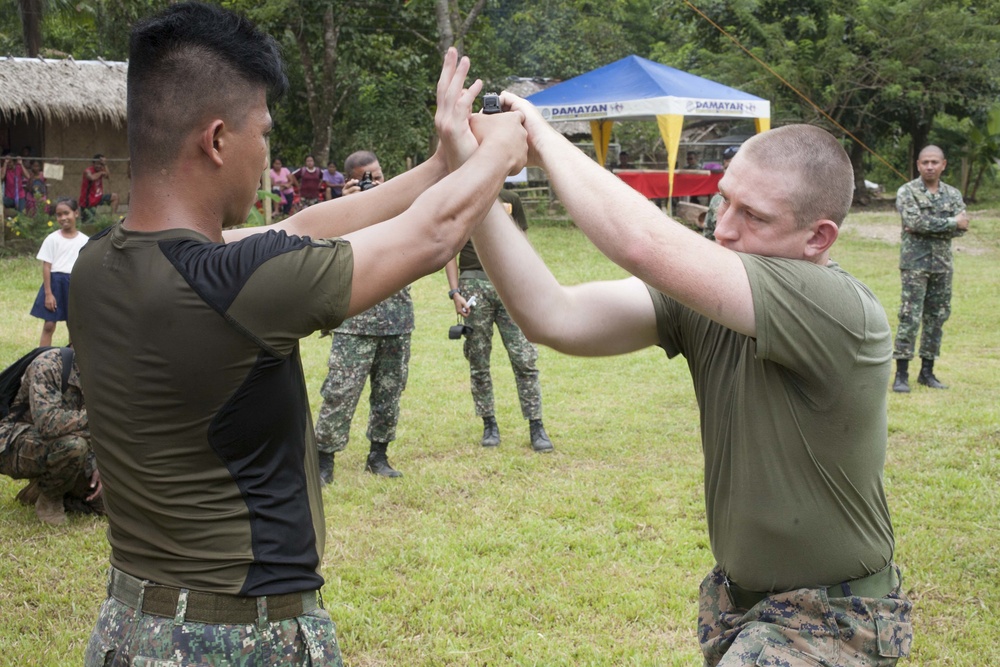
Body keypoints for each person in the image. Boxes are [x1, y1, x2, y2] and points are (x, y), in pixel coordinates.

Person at [67, 3, 526, 665]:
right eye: (263, 132)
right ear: (218, 139)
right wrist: (505, 149)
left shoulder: (95, 266)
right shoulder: (231, 285)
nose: (266, 153)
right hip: (237, 638)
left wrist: (441, 165)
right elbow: (432, 235)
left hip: (126, 629)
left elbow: (304, 231)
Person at [465, 94, 912, 666]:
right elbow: (552, 315)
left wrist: (540, 135)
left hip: (835, 621)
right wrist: (472, 176)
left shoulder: (835, 307)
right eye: (724, 201)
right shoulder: (714, 297)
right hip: (745, 610)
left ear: (818, 239)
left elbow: (641, 244)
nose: (724, 230)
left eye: (754, 216)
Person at [314, 151, 411, 482]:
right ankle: (323, 459)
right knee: (340, 391)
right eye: (366, 177)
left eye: (378, 175)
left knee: (389, 391)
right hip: (353, 318)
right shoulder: (339, 213)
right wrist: (347, 209)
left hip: (396, 317)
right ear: (349, 181)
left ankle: (378, 456)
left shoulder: (401, 209)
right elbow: (324, 253)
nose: (375, 182)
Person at [444, 188, 553, 452]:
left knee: (524, 357)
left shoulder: (510, 199)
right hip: (473, 287)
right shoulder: (463, 197)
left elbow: (523, 242)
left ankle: (536, 425)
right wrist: (455, 291)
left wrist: (530, 283)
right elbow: (449, 248)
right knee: (478, 359)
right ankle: (489, 423)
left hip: (510, 286)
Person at [891, 145, 968, 393]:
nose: (930, 166)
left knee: (937, 317)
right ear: (918, 164)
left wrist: (932, 226)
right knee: (909, 316)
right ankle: (901, 373)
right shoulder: (907, 191)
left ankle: (927, 371)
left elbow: (963, 226)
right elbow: (914, 221)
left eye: (935, 162)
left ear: (943, 164)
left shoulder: (953, 194)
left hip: (942, 265)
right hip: (915, 264)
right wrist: (949, 223)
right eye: (925, 162)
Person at [0, 347, 101, 526]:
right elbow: (48, 423)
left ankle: (38, 490)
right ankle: (50, 500)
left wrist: (99, 466)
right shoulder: (49, 364)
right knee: (74, 446)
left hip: (63, 443)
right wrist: (97, 416)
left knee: (106, 504)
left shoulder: (102, 375)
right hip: (16, 443)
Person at [29, 198, 89, 347]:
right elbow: (47, 266)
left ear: (76, 213)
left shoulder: (85, 241)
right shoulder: (52, 239)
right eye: (58, 215)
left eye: (66, 213)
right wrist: (48, 293)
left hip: (74, 286)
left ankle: (74, 361)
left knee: (74, 326)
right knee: (49, 325)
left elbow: (86, 268)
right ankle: (43, 359)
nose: (63, 218)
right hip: (55, 284)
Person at [702, 145, 740, 240]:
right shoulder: (716, 200)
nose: (729, 172)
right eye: (726, 167)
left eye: (733, 167)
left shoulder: (755, 201)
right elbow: (708, 234)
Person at [79, 154, 120, 223]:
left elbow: (108, 176)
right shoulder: (88, 171)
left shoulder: (101, 169)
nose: (99, 166)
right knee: (88, 224)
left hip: (98, 197)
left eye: (101, 164)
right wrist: (101, 172)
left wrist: (105, 165)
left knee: (115, 197)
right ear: (93, 163)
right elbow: (92, 177)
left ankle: (113, 218)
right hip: (88, 202)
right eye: (97, 164)